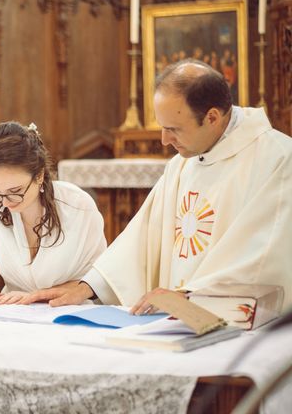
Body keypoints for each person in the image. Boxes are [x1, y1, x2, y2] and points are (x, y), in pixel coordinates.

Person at [24, 59, 292, 311]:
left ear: (212, 117)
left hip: (242, 330)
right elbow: (142, 237)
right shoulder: (181, 165)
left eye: (173, 129)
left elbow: (267, 254)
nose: (164, 140)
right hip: (176, 323)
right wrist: (89, 287)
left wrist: (193, 296)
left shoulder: (278, 160)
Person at [0, 121, 106, 304]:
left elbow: (100, 279)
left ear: (39, 176)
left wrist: (37, 296)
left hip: (70, 313)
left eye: (15, 191)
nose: (4, 202)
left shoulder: (78, 206)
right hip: (14, 314)